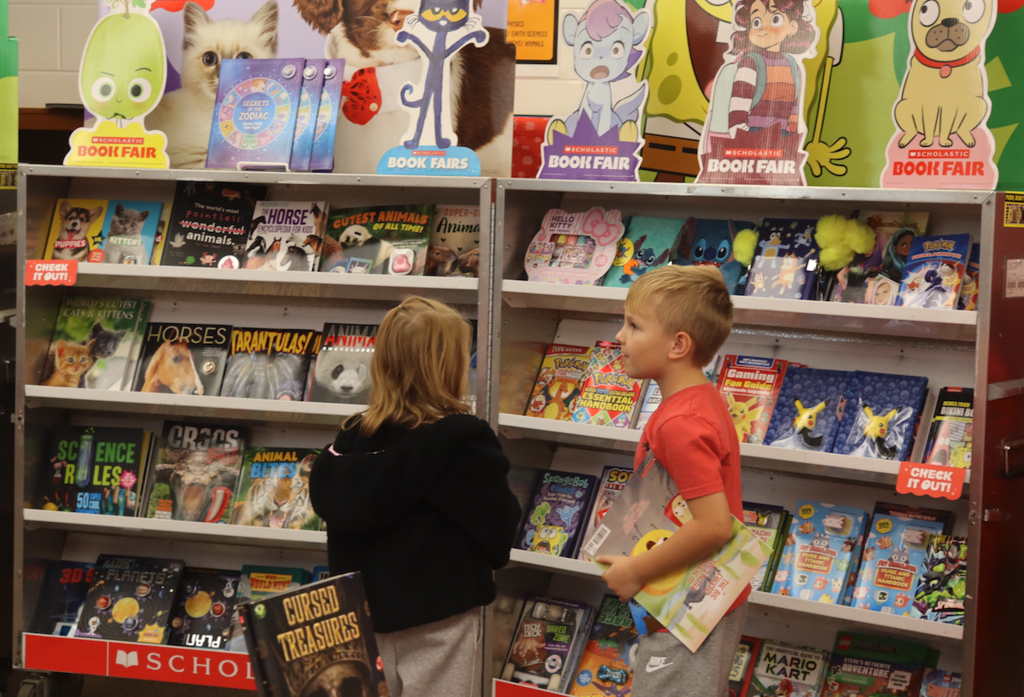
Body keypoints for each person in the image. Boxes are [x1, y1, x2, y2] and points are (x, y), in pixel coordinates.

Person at [310, 296, 522, 697]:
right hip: (440, 617)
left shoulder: (351, 437)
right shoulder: (461, 443)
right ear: (451, 366)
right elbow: (499, 529)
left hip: (363, 617)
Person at [596, 265, 748, 697]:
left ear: (679, 344)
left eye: (634, 325)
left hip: (690, 603)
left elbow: (714, 525)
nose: (619, 337)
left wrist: (634, 570)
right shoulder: (700, 399)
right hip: (696, 596)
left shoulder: (679, 422)